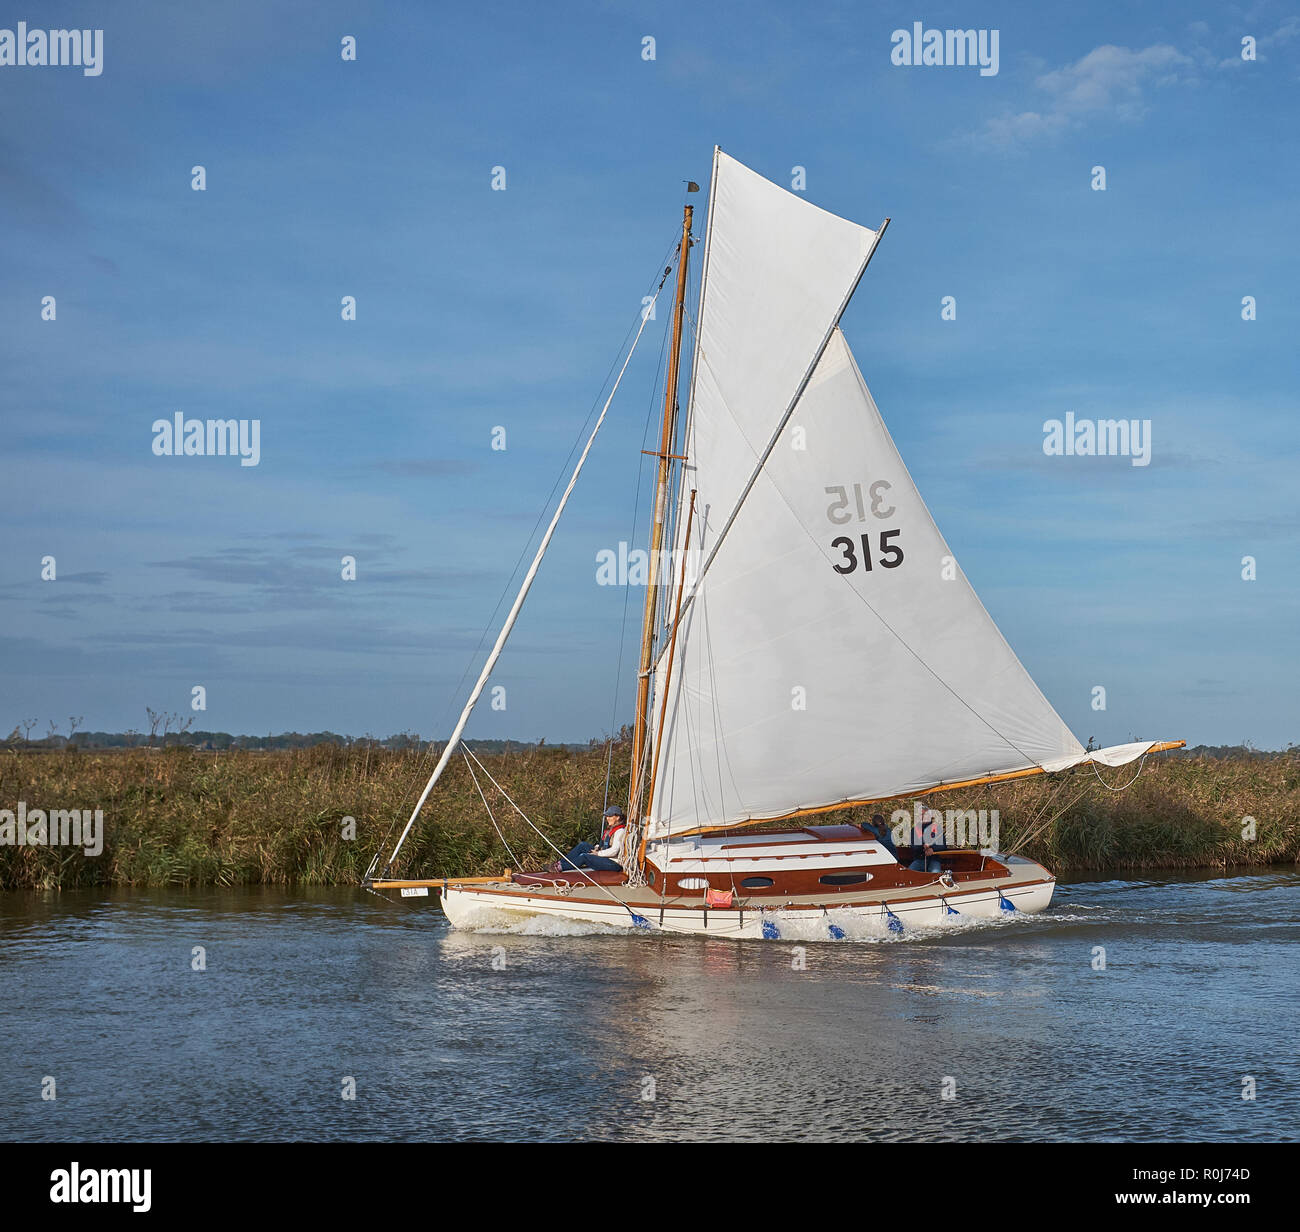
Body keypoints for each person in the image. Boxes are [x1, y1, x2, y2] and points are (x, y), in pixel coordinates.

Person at [558, 806, 627, 872]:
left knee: (584, 857)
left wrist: (598, 854)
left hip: (614, 863)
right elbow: (604, 844)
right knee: (583, 845)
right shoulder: (611, 829)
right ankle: (560, 863)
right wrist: (597, 848)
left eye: (610, 816)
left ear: (617, 817)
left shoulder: (620, 831)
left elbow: (614, 851)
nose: (607, 818)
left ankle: (560, 868)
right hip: (605, 856)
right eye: (607, 816)